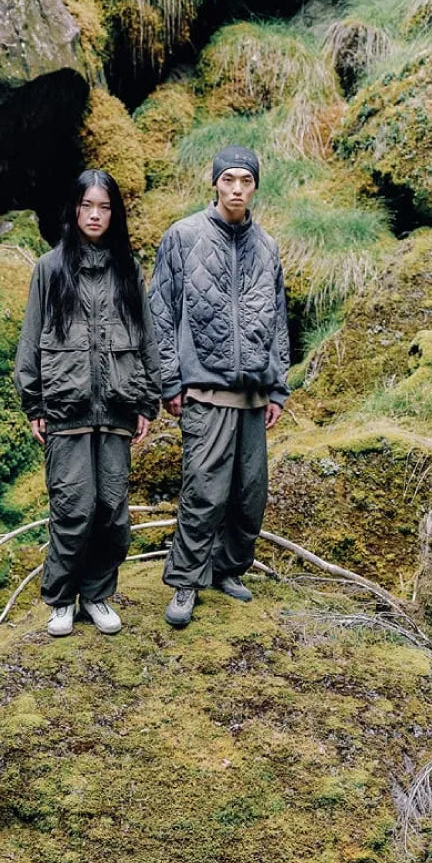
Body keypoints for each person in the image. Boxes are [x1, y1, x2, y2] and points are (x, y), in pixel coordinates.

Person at [14, 169, 161, 637]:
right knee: (73, 508)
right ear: (74, 209)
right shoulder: (49, 268)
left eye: (104, 207)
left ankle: (97, 595)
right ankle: (61, 600)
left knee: (112, 511)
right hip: (66, 409)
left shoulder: (127, 269)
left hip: (117, 407)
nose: (95, 215)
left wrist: (147, 401)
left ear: (114, 214)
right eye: (87, 205)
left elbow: (146, 337)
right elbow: (30, 339)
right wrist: (35, 404)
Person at [149, 146, 290, 628]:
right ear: (214, 183)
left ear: (255, 187)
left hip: (253, 394)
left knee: (250, 494)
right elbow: (160, 313)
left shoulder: (267, 246)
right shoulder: (183, 236)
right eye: (228, 179)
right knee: (204, 492)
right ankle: (186, 580)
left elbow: (278, 321)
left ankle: (228, 569)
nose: (236, 189)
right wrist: (169, 381)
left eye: (245, 181)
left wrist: (277, 388)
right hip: (204, 391)